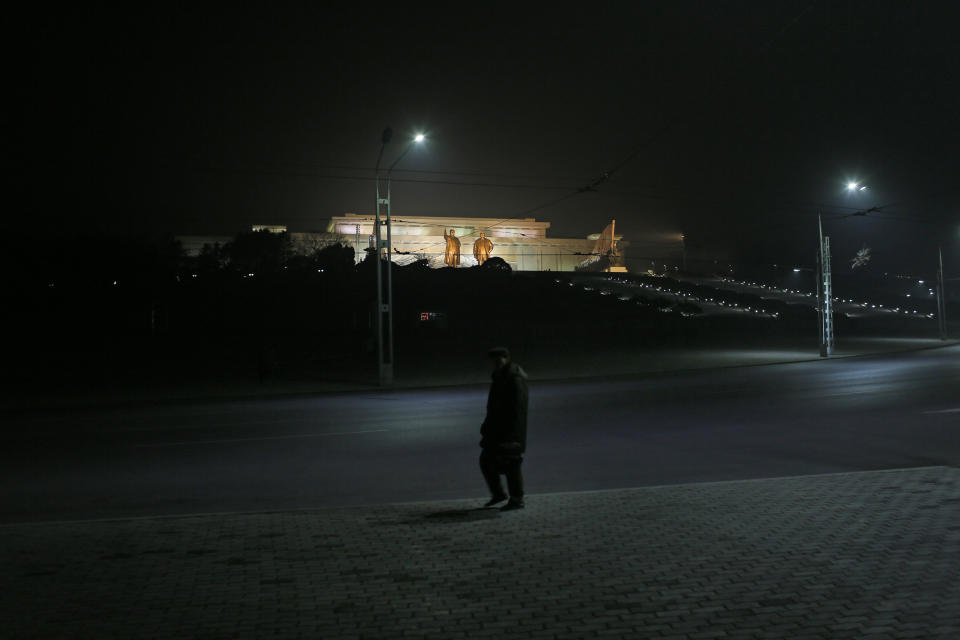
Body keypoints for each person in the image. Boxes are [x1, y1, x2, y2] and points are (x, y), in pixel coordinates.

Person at [479, 347, 528, 511]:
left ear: (507, 358)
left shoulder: (514, 378)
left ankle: (516, 499)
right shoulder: (501, 376)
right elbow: (494, 406)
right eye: (493, 360)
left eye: (499, 359)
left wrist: (512, 435)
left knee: (511, 463)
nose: (496, 363)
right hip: (498, 430)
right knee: (486, 460)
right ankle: (499, 494)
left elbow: (517, 410)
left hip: (510, 432)